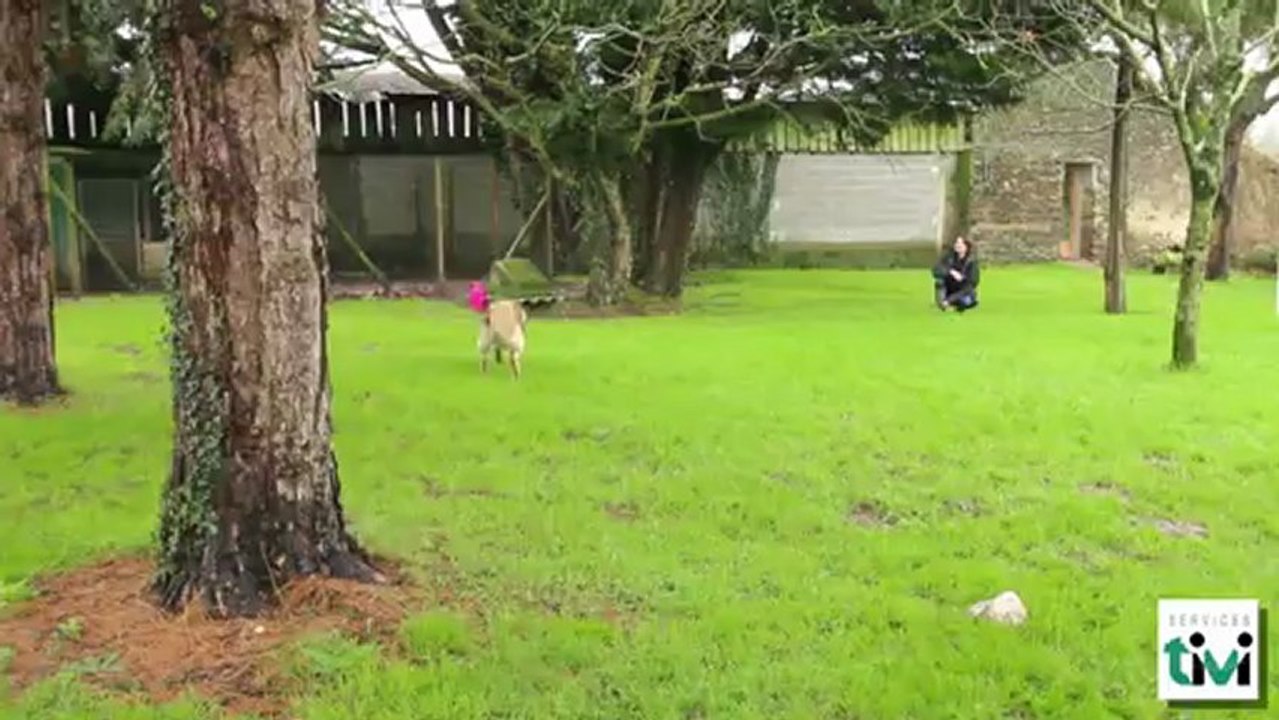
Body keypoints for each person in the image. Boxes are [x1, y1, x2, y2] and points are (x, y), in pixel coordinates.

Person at [932, 235, 980, 312]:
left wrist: (950, 300)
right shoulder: (948, 257)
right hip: (949, 288)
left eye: (960, 243)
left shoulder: (972, 262)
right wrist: (951, 272)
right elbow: (936, 270)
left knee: (966, 300)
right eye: (957, 243)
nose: (958, 245)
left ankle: (951, 302)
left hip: (963, 290)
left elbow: (972, 283)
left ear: (966, 247)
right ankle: (943, 302)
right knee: (939, 281)